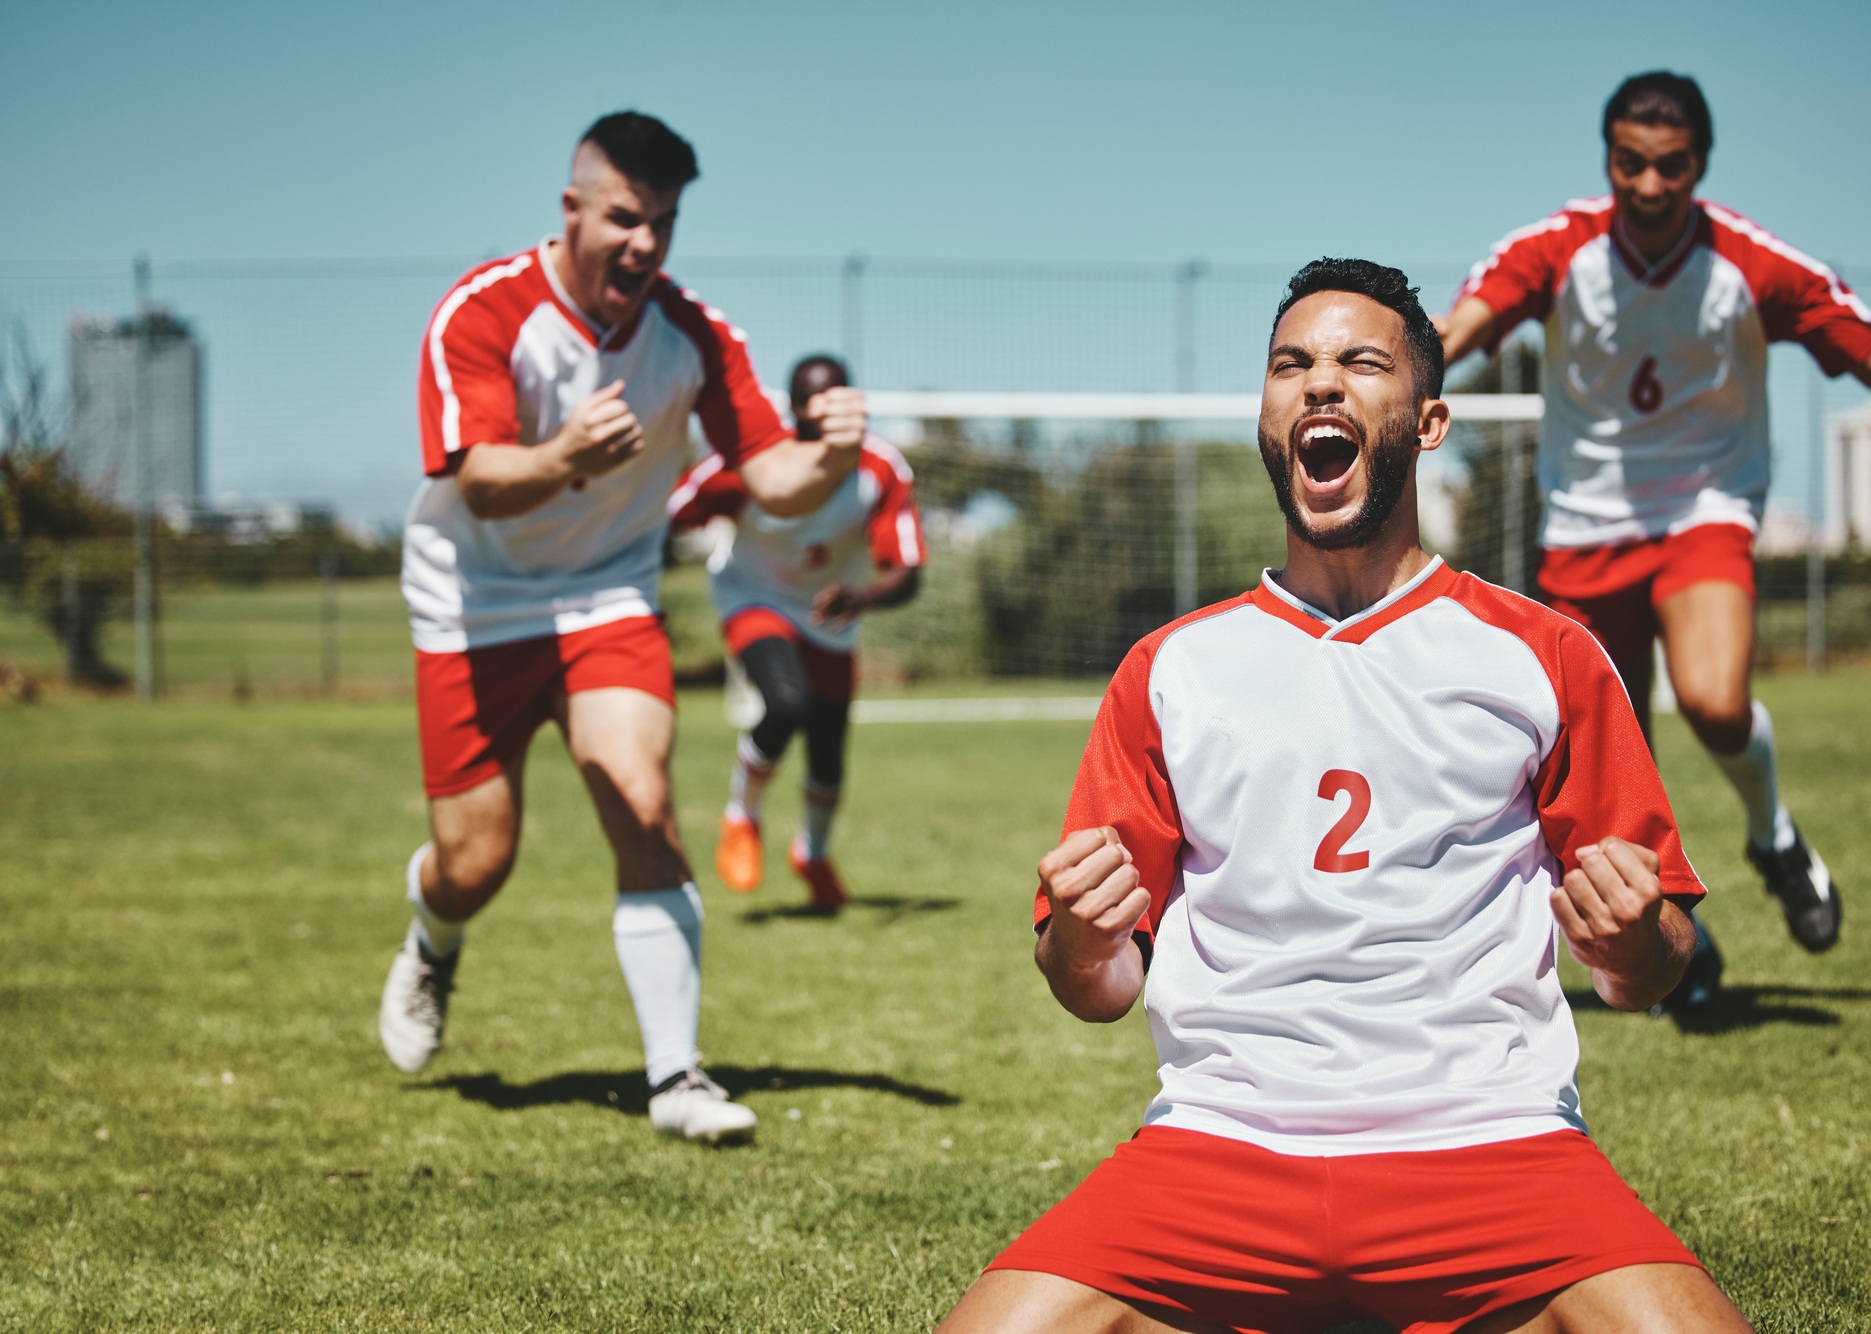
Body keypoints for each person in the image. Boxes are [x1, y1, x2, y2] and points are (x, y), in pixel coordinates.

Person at [940, 259, 1750, 1334]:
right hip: (1219, 1149)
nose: (1318, 382)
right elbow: (1093, 986)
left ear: (1425, 420)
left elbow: (1654, 965)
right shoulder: (1170, 669)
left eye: (1358, 361)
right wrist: (1083, 941)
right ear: (1266, 418)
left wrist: (1629, 936)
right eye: (1291, 364)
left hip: (1492, 1149)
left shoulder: (1545, 655)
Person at [1434, 72, 1871, 1005]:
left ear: (1699, 165)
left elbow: (1859, 343)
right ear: (1608, 160)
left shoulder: (1745, 262)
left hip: (1703, 508)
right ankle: (1684, 950)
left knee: (1715, 700)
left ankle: (1773, 836)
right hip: (1584, 523)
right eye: (1630, 164)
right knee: (1606, 767)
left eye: (1671, 166)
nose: (1649, 185)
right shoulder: (1558, 250)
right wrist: (1405, 375)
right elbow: (1468, 322)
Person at [378, 111, 870, 1146]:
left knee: (642, 797)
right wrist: (564, 455)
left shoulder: (692, 334)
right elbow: (481, 481)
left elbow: (770, 475)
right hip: (473, 599)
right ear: (573, 211)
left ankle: (676, 1076)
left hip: (606, 592)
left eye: (664, 224)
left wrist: (829, 457)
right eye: (625, 219)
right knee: (476, 860)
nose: (645, 245)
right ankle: (433, 936)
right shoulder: (481, 312)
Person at [667, 354, 925, 911]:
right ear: (793, 407)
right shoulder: (751, 463)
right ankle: (742, 817)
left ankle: (813, 852)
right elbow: (670, 515)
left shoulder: (881, 468)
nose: (821, 408)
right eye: (809, 399)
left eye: (833, 397)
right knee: (787, 704)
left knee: (829, 748)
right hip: (751, 596)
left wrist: (861, 596)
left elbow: (907, 572)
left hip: (830, 612)